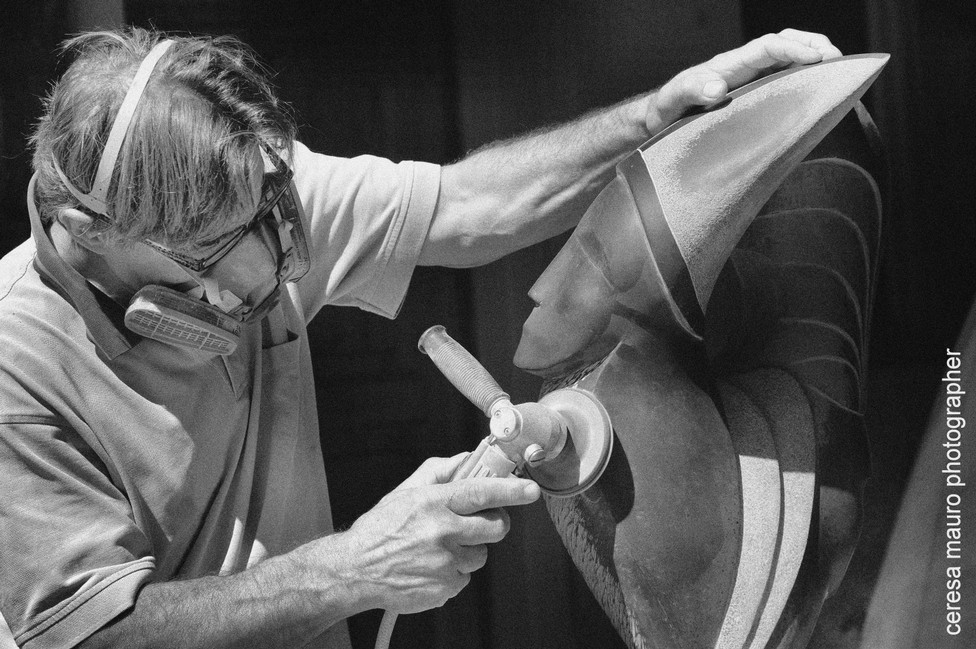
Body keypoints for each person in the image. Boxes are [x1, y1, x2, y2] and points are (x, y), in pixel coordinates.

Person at [0, 25, 841, 649]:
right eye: (209, 263)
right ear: (90, 229)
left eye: (262, 229)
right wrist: (357, 566)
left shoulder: (243, 199)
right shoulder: (17, 361)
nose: (257, 279)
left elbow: (470, 205)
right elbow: (90, 634)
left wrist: (654, 120)